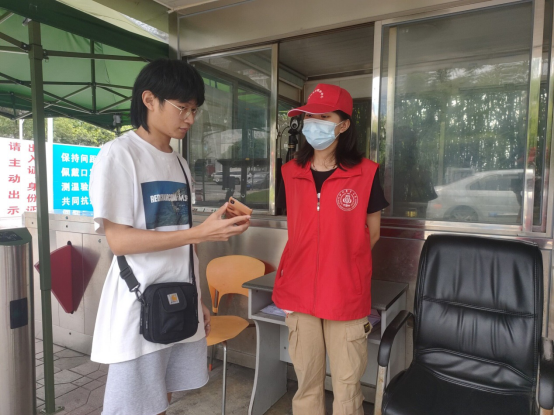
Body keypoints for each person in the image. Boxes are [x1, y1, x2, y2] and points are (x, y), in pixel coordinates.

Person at [89, 59, 251, 415]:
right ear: (149, 100)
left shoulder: (179, 163)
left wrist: (199, 297)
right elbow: (119, 241)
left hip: (180, 299)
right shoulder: (119, 155)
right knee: (134, 407)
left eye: (194, 110)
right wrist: (199, 232)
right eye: (182, 108)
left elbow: (183, 241)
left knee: (164, 397)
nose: (190, 118)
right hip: (139, 305)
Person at [274, 84, 389, 416]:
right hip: (299, 293)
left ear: (344, 125)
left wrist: (340, 262)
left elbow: (373, 233)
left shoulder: (366, 173)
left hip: (344, 294)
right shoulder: (290, 173)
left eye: (324, 117)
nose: (314, 123)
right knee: (306, 386)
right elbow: (298, 229)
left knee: (347, 390)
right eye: (310, 117)